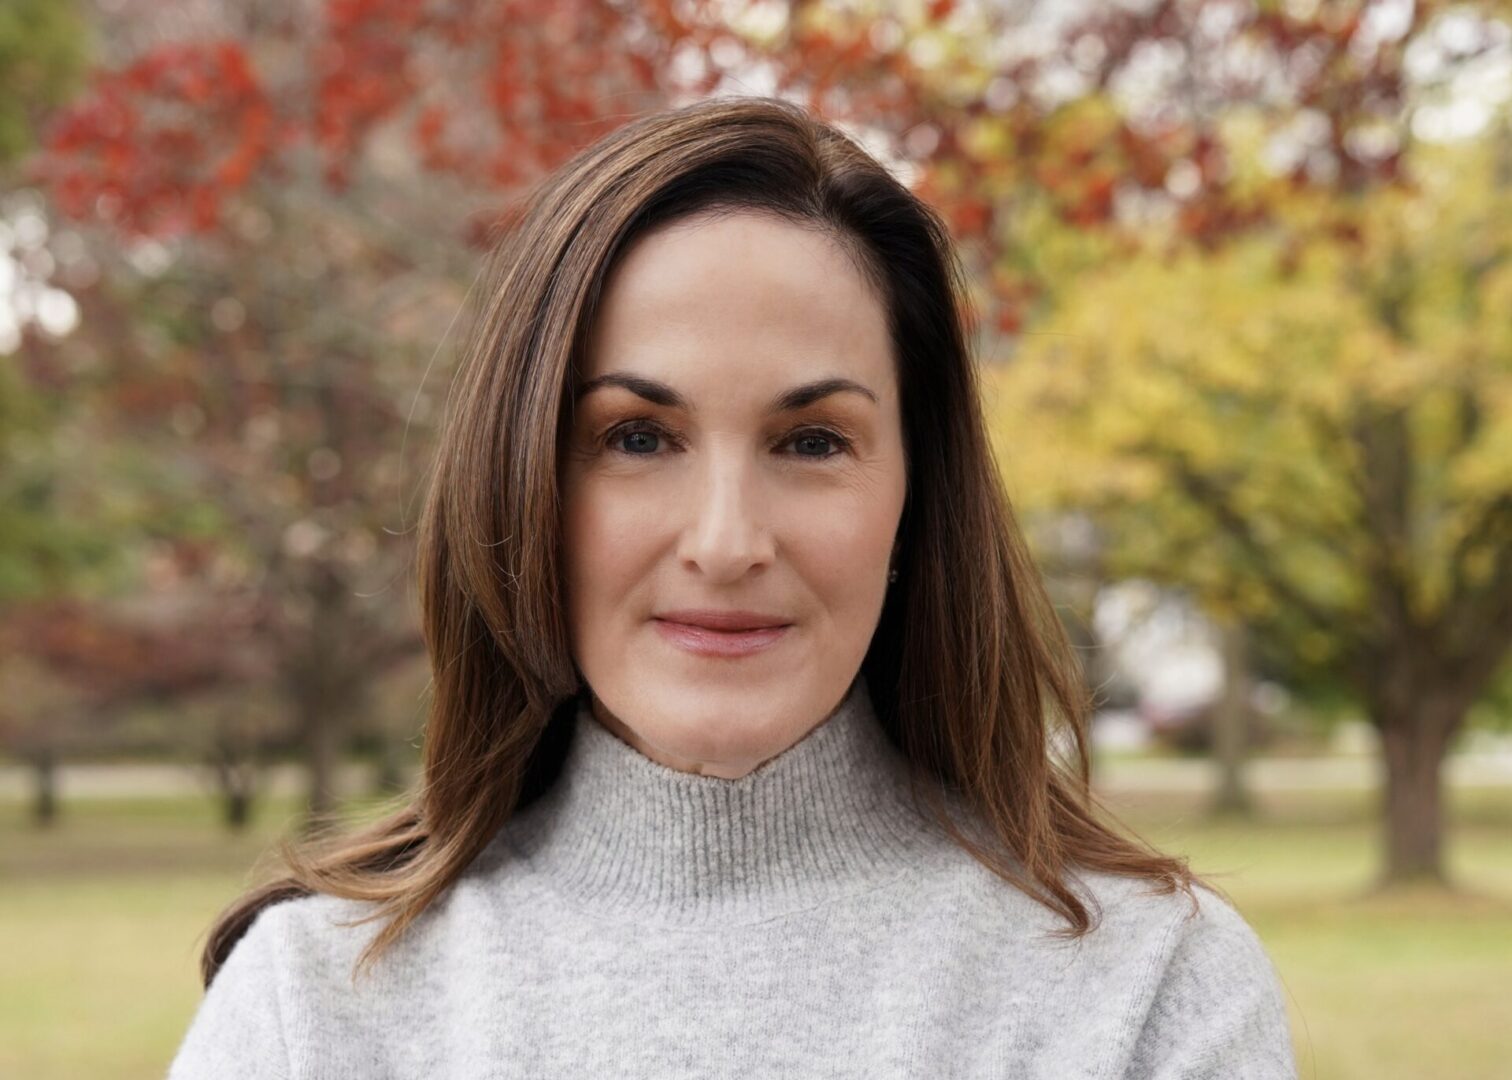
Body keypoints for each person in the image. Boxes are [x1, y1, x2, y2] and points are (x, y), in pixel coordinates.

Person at [167, 95, 1299, 1079]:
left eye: (811, 441)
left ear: (917, 496)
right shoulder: (312, 1005)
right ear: (520, 485)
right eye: (636, 437)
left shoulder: (1148, 986)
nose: (725, 543)